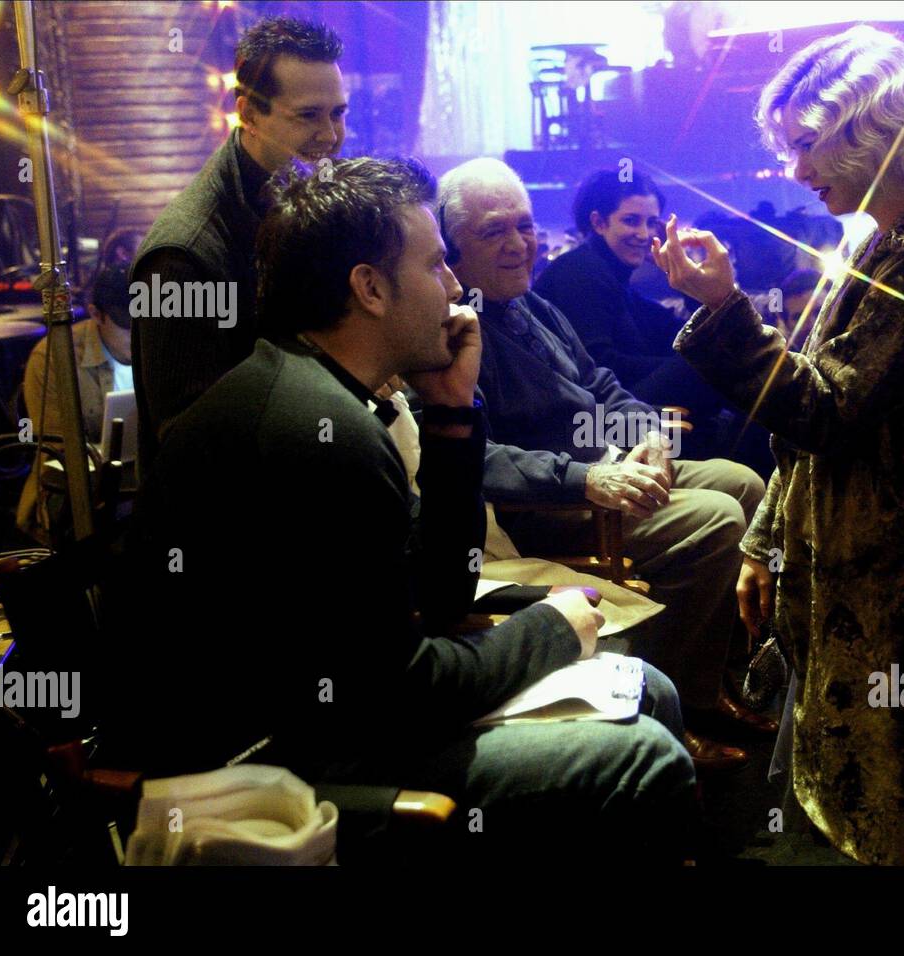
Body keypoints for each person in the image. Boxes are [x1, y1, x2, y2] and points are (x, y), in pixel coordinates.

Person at [123, 157, 696, 859]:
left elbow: (444, 589)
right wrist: (551, 628)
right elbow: (401, 693)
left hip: (330, 723)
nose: (455, 287)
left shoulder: (326, 393)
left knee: (649, 688)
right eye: (435, 266)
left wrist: (452, 414)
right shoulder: (318, 432)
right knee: (645, 755)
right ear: (369, 288)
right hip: (276, 771)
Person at [655, 25, 904, 864]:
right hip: (861, 569)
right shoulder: (886, 241)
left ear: (874, 130)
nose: (796, 170)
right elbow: (814, 431)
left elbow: (822, 410)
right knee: (864, 800)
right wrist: (762, 539)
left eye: (808, 144)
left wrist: (722, 307)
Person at [437, 158, 775, 771]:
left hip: (607, 470)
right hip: (548, 507)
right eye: (494, 232)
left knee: (745, 483)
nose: (518, 245)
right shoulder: (451, 329)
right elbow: (474, 457)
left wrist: (650, 437)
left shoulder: (529, 305)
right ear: (450, 247)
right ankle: (670, 707)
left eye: (524, 225)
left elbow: (603, 383)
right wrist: (588, 478)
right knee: (719, 519)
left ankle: (715, 682)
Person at [130, 16, 347, 472]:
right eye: (308, 115)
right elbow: (185, 437)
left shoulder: (306, 196)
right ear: (248, 114)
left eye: (338, 113)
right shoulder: (181, 256)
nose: (330, 135)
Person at [534, 169, 773, 473]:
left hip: (621, 401)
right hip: (594, 413)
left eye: (651, 223)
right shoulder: (580, 273)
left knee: (720, 362)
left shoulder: (619, 282)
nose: (644, 234)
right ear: (598, 222)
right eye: (631, 221)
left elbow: (684, 333)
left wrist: (679, 274)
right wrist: (691, 367)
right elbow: (599, 364)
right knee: (712, 364)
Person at [17, 263, 133, 540]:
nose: (139, 333)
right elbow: (59, 453)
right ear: (96, 314)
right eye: (128, 326)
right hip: (72, 495)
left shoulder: (157, 344)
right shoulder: (55, 358)